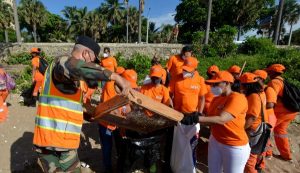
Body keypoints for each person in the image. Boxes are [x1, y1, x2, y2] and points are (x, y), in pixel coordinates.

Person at [32, 36, 131, 173]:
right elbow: (75, 67)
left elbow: (69, 107)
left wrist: (94, 113)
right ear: (86, 54)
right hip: (50, 146)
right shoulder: (61, 63)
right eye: (93, 61)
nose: (93, 65)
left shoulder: (74, 79)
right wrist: (116, 77)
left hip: (65, 144)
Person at [198, 71, 250, 173]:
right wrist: (196, 116)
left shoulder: (238, 98)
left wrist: (197, 119)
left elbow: (222, 119)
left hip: (234, 145)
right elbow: (210, 119)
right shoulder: (215, 99)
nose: (213, 86)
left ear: (227, 83)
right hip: (215, 140)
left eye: (216, 84)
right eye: (212, 84)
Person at [131, 65, 172, 173]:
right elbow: (138, 103)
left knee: (155, 148)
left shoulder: (164, 90)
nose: (154, 79)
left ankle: (152, 167)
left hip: (158, 123)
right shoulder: (145, 88)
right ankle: (146, 163)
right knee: (145, 145)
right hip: (145, 121)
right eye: (153, 77)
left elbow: (167, 106)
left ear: (161, 77)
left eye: (157, 77)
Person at [170, 57, 207, 173]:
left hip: (193, 117)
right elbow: (169, 94)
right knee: (179, 144)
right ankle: (177, 168)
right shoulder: (176, 78)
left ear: (195, 69)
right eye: (184, 69)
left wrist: (199, 114)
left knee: (192, 144)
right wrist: (172, 109)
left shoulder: (200, 80)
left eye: (188, 70)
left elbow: (202, 97)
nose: (185, 72)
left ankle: (189, 168)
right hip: (179, 116)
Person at [266, 64, 298, 162]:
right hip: (291, 111)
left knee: (266, 130)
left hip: (282, 112)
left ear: (273, 72)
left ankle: (268, 153)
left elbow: (271, 99)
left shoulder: (274, 82)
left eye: (269, 71)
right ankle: (286, 155)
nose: (267, 73)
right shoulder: (283, 81)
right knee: (280, 132)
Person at [98, 67, 125, 173]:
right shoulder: (109, 86)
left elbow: (127, 105)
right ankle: (108, 168)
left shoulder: (124, 86)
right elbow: (108, 108)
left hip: (118, 123)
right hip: (106, 122)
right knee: (107, 146)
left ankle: (119, 164)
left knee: (119, 145)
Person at [240, 72, 268, 173]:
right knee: (255, 154)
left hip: (253, 130)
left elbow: (252, 117)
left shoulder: (253, 96)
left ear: (247, 85)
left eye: (242, 85)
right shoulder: (261, 93)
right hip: (260, 128)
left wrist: (241, 129)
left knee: (249, 157)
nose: (241, 87)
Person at [254, 69, 277, 159]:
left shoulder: (268, 89)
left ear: (261, 79)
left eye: (255, 77)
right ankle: (266, 154)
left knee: (264, 138)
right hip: (262, 117)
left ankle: (261, 162)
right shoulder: (257, 89)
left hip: (269, 117)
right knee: (262, 138)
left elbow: (270, 104)